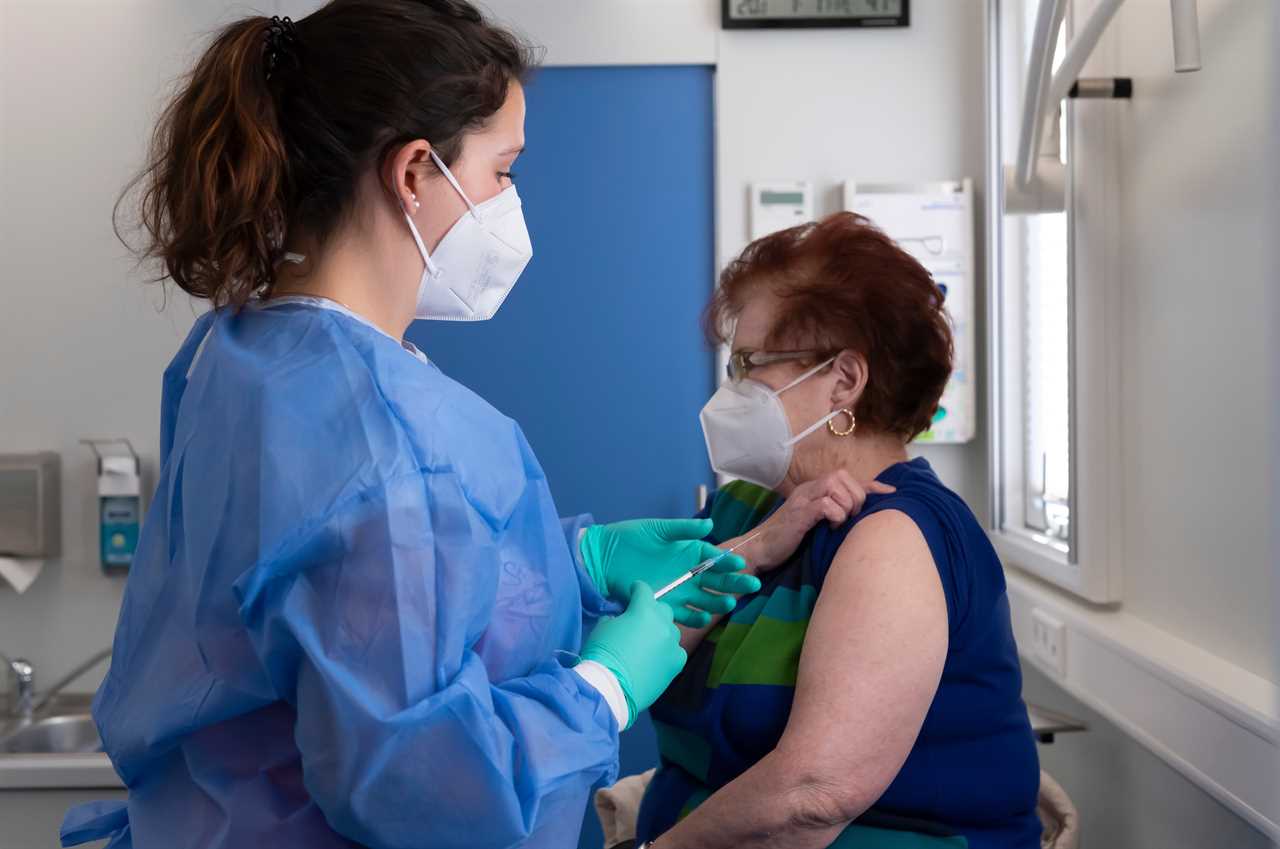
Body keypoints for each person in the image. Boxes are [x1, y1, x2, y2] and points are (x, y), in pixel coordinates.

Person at [58, 3, 768, 848]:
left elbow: (325, 605)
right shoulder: (384, 435)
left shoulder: (238, 354)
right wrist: (603, 687)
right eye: (503, 170)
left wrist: (573, 560)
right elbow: (418, 788)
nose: (510, 201)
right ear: (414, 173)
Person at [633, 213, 1043, 849]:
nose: (732, 390)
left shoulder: (895, 533)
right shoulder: (747, 507)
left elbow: (811, 799)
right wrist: (753, 550)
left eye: (750, 364)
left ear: (844, 382)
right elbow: (640, 652)